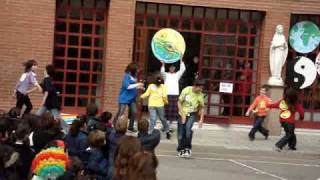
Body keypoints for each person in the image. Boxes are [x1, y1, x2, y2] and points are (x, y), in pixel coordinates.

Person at [36, 64, 68, 133]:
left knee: (57, 118)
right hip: (48, 102)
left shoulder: (47, 79)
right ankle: (35, 130)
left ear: (47, 71)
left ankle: (67, 130)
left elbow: (47, 91)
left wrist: (43, 101)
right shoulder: (47, 79)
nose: (44, 71)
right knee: (37, 116)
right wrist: (35, 84)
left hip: (52, 103)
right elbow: (41, 90)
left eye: (45, 70)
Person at [177, 79, 205, 158]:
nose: (201, 90)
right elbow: (179, 102)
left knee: (188, 129)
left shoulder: (200, 95)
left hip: (192, 114)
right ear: (195, 86)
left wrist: (201, 119)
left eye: (202, 88)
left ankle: (187, 148)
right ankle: (180, 149)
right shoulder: (186, 90)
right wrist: (182, 114)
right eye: (200, 88)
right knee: (180, 134)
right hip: (182, 113)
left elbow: (202, 107)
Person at [114, 63, 144, 132]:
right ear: (132, 70)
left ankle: (130, 127)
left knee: (134, 112)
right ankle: (116, 126)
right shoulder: (126, 76)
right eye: (136, 69)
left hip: (132, 98)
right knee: (121, 113)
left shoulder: (134, 76)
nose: (138, 71)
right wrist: (138, 84)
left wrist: (140, 87)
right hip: (124, 98)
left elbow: (133, 86)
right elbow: (127, 86)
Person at [160, 59, 186, 131]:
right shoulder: (166, 75)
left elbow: (183, 69)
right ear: (169, 68)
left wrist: (181, 60)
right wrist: (163, 64)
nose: (172, 68)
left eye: (173, 67)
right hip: (167, 94)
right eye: (171, 67)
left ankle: (169, 125)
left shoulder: (177, 75)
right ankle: (165, 125)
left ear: (175, 68)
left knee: (172, 113)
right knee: (165, 112)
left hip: (175, 94)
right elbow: (162, 72)